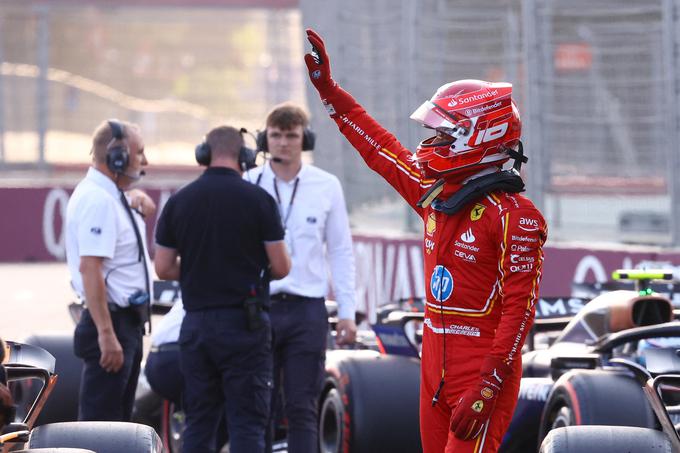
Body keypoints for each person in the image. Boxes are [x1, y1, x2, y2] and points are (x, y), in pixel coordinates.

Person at [303, 29, 547, 453]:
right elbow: (380, 148)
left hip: (481, 373)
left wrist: (488, 387)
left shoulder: (515, 218)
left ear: (478, 137)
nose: (429, 143)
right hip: (433, 369)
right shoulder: (437, 198)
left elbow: (519, 313)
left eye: (442, 134)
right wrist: (329, 91)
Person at [154, 125, 291, 453]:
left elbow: (163, 267)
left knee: (199, 422)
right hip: (245, 326)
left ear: (204, 154)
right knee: (247, 423)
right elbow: (282, 266)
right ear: (244, 157)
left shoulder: (180, 201)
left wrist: (204, 267)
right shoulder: (259, 200)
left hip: (197, 326)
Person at [245, 102, 357, 453]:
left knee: (302, 407)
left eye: (291, 135)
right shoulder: (249, 182)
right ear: (265, 138)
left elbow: (340, 251)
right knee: (257, 407)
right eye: (275, 135)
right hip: (258, 308)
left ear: (304, 139)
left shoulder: (326, 185)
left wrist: (349, 313)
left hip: (307, 310)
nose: (282, 143)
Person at [65, 119, 154, 421]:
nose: (144, 161)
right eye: (138, 152)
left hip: (125, 323)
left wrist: (133, 199)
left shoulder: (109, 196)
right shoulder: (98, 200)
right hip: (112, 324)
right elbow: (90, 269)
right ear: (117, 156)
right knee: (100, 427)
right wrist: (106, 334)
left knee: (117, 425)